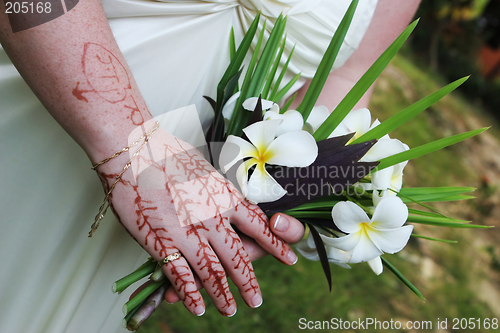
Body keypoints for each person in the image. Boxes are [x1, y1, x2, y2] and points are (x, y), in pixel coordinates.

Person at [0, 0, 419, 332]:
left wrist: (277, 202)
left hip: (182, 208)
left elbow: (340, 82)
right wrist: (132, 146)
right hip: (36, 114)